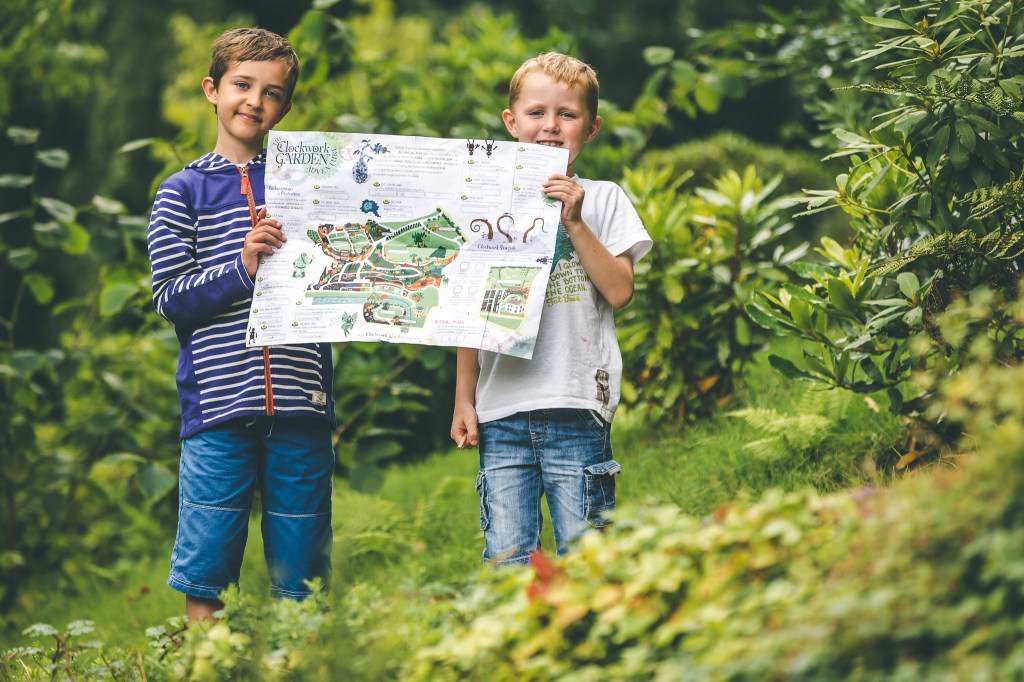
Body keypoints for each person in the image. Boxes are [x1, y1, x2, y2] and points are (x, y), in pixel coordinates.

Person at [146, 28, 336, 621]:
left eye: (272, 92)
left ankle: (301, 658)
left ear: (286, 106)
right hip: (218, 404)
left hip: (302, 403)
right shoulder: (181, 193)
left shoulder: (313, 187)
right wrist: (242, 267)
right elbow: (170, 298)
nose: (255, 101)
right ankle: (206, 659)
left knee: (304, 572)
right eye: (242, 85)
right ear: (213, 90)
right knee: (207, 566)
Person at [450, 52, 653, 565]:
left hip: (575, 404)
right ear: (511, 122)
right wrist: (463, 399)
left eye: (567, 114)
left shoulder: (604, 199)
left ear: (592, 128)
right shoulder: (484, 205)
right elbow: (469, 310)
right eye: (537, 112)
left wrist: (575, 222)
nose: (551, 126)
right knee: (509, 562)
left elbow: (619, 291)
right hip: (501, 412)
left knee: (587, 559)